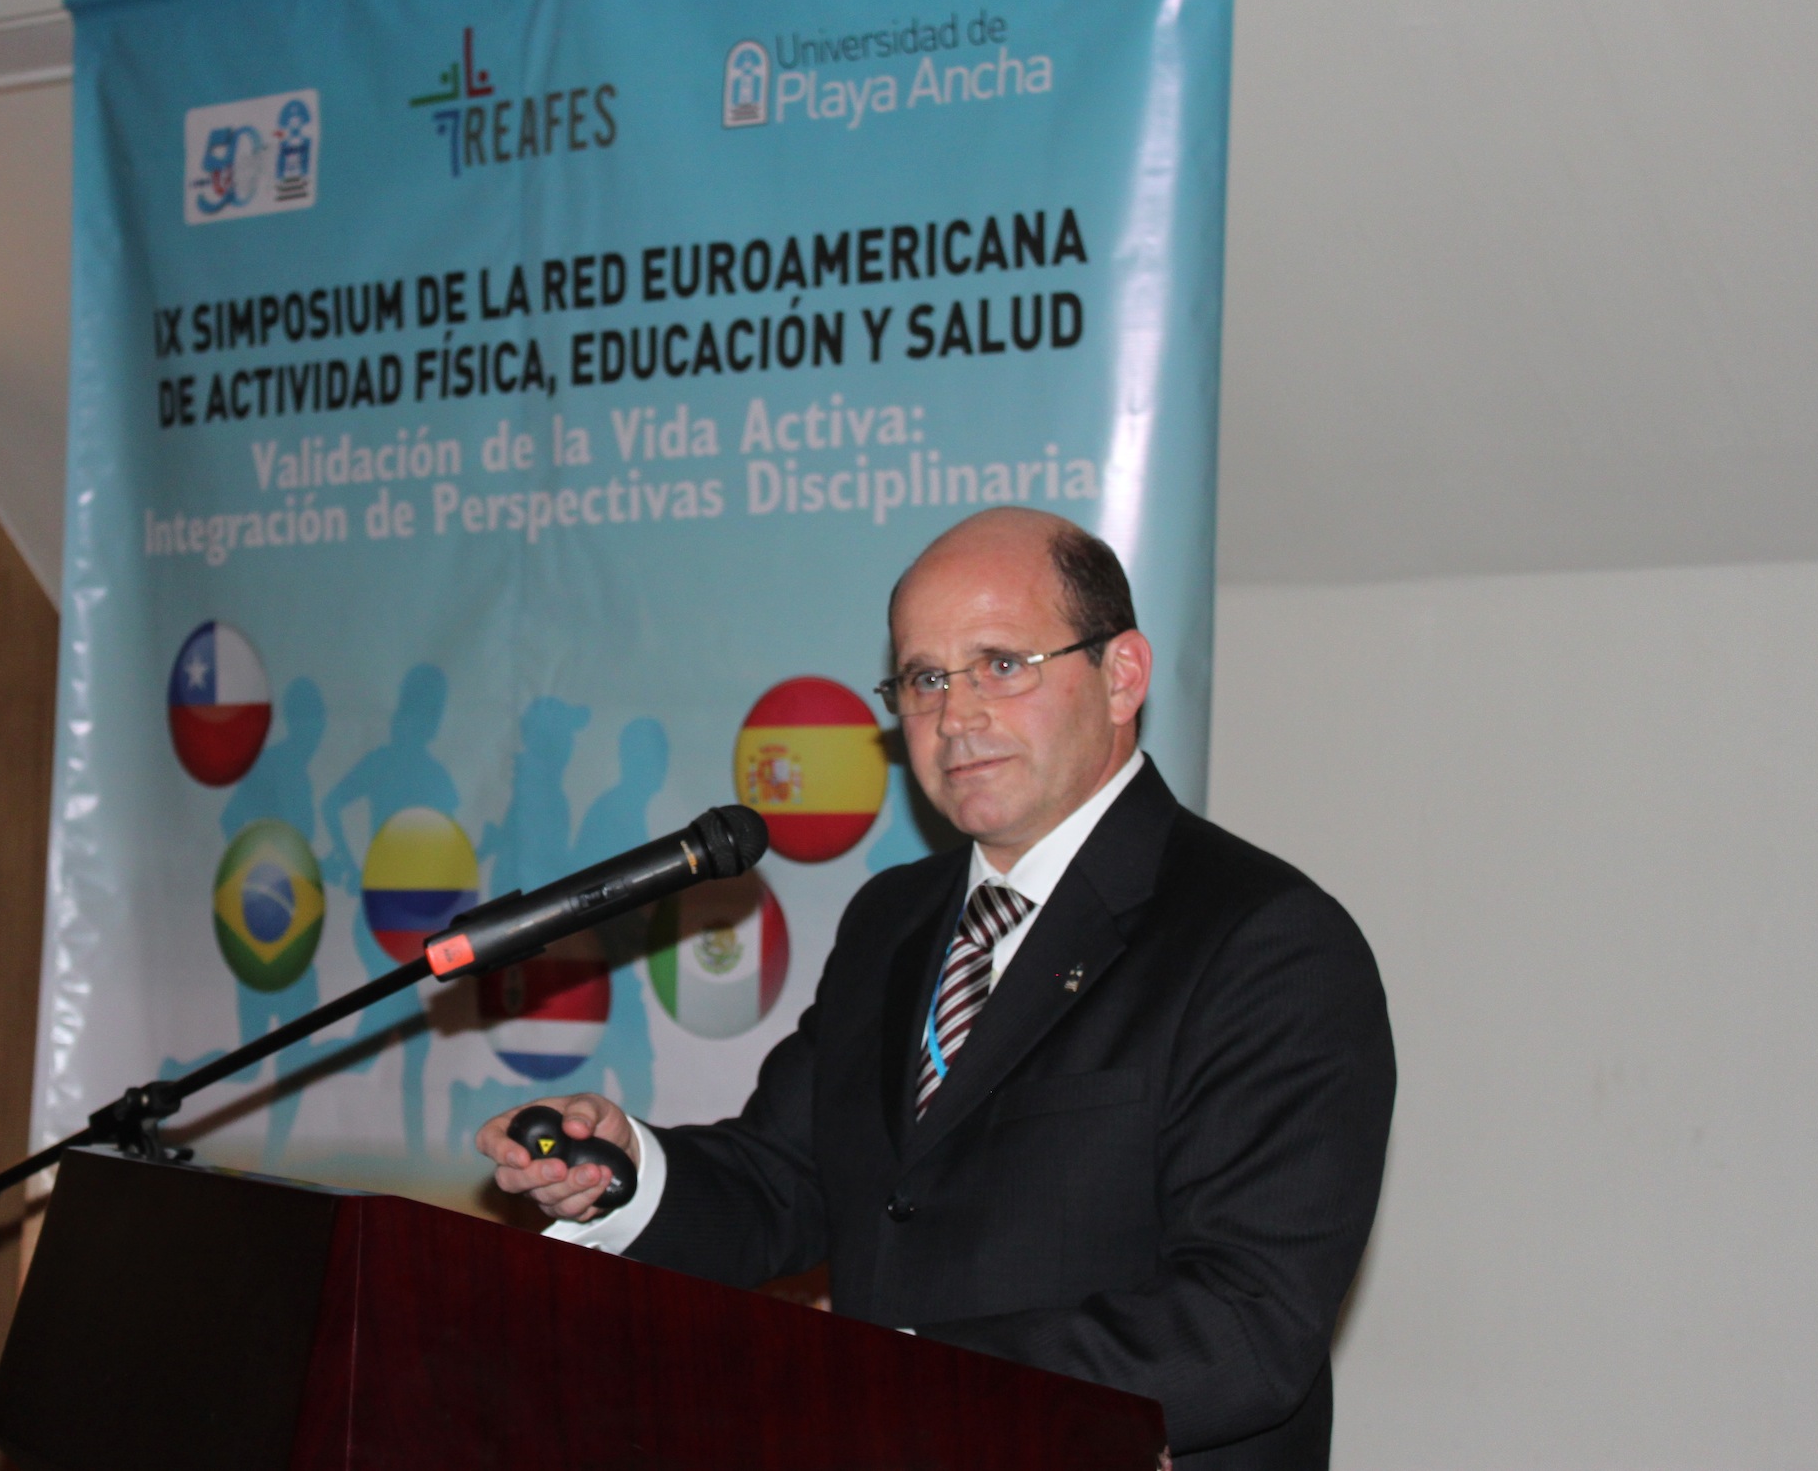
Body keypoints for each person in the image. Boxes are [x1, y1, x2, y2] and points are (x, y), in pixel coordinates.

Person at [478, 508, 1393, 1471]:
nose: (955, 717)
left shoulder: (1261, 939)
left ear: (1122, 674)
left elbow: (1248, 1321)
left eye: (1001, 664)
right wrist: (626, 1170)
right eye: (925, 679)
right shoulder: (894, 919)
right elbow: (787, 1178)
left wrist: (908, 1380)